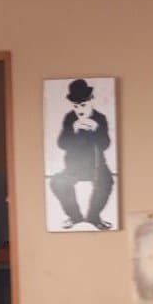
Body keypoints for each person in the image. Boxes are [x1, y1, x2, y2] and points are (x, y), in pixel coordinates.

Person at [50, 79, 114, 230]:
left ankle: (94, 217)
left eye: (83, 105)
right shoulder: (70, 118)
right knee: (57, 182)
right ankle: (75, 217)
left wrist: (95, 130)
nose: (79, 110)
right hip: (73, 167)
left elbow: (105, 144)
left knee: (106, 181)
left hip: (96, 166)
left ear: (91, 101)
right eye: (76, 106)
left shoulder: (100, 118)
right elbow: (61, 144)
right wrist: (73, 130)